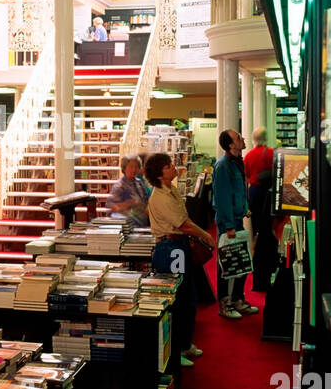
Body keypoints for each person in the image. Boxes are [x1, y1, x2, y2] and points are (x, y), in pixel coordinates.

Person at [145, 152, 215, 368]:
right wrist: (205, 235)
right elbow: (183, 223)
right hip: (170, 248)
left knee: (188, 296)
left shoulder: (171, 190)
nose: (173, 167)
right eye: (168, 166)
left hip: (179, 246)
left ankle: (184, 343)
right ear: (159, 174)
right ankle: (174, 350)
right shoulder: (160, 196)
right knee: (177, 298)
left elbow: (185, 220)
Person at [213, 129, 256, 318]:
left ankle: (238, 299)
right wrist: (229, 225)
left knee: (242, 262)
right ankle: (225, 304)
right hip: (228, 223)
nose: (243, 138)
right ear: (231, 145)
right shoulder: (223, 166)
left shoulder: (237, 163)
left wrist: (244, 207)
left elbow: (240, 190)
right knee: (227, 263)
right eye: (238, 137)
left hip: (237, 219)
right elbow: (222, 197)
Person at [244, 126, 279, 286]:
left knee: (256, 226)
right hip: (268, 193)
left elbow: (246, 178)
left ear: (253, 139)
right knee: (268, 226)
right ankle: (269, 257)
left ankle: (256, 254)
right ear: (266, 138)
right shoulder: (271, 153)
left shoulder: (249, 155)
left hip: (254, 192)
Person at [107, 155, 151, 226]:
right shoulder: (119, 186)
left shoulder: (139, 183)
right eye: (131, 167)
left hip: (142, 224)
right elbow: (112, 207)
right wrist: (128, 204)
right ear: (124, 168)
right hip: (127, 226)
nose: (134, 169)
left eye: (136, 167)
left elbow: (146, 201)